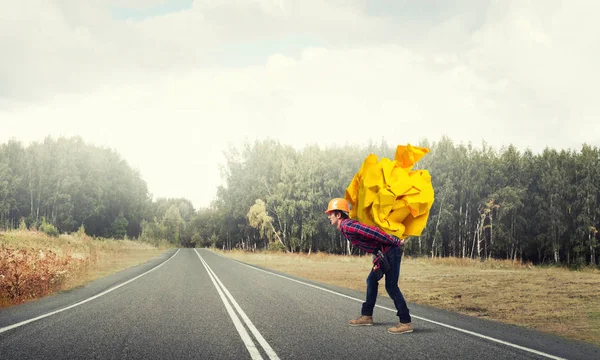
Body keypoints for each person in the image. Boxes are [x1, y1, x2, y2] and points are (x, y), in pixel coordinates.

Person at [325, 197, 413, 334]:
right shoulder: (345, 227)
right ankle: (367, 316)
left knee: (391, 286)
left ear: (338, 215)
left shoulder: (348, 225)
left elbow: (372, 232)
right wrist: (377, 255)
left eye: (330, 214)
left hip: (390, 250)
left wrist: (395, 241)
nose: (329, 216)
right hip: (383, 253)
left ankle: (405, 322)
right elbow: (371, 240)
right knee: (371, 280)